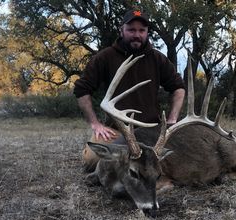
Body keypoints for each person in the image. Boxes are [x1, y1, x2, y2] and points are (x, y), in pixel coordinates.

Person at [74, 9, 185, 142]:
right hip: (117, 130)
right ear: (121, 30)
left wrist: (172, 120)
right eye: (131, 30)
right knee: (92, 158)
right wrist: (95, 124)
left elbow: (178, 87)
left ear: (147, 32)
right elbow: (82, 89)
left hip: (151, 130)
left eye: (141, 30)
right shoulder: (105, 57)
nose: (137, 35)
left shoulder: (157, 59)